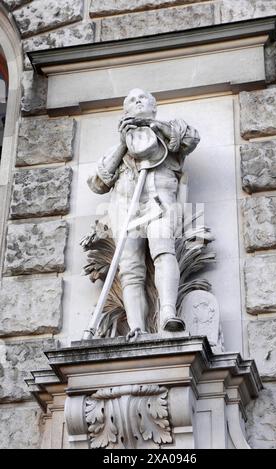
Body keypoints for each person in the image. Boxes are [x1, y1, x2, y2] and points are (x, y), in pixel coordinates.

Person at [88, 88, 200, 339]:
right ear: (125, 111)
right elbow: (98, 182)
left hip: (160, 202)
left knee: (163, 250)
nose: (138, 101)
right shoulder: (118, 146)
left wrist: (154, 126)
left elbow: (190, 139)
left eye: (143, 98)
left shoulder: (169, 130)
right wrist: (121, 142)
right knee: (130, 268)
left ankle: (169, 313)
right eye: (131, 100)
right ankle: (137, 327)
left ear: (154, 105)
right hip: (126, 208)